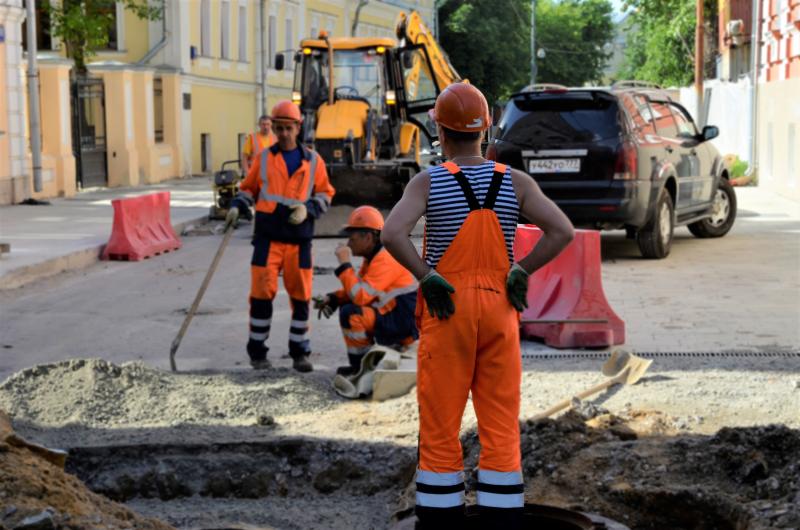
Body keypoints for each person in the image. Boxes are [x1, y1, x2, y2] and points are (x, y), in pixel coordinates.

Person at [381, 83, 575, 529]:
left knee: (440, 426)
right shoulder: (515, 182)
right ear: (485, 132)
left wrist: (426, 275)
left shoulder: (428, 182)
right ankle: (502, 520)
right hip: (499, 309)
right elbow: (561, 231)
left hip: (447, 308)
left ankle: (442, 520)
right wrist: (522, 269)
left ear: (441, 134)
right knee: (501, 424)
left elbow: (391, 234)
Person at [227, 100, 335, 372]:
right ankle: (257, 353)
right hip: (267, 238)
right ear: (273, 128)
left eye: (288, 128)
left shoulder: (313, 162)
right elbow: (248, 189)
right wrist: (236, 206)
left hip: (299, 240)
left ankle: (300, 352)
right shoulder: (264, 159)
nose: (283, 133)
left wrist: (308, 209)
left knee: (301, 298)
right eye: (278, 128)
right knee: (261, 297)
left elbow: (326, 194)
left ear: (298, 127)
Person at [314, 206, 418, 376]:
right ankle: (362, 365)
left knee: (352, 314)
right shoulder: (375, 257)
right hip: (397, 316)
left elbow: (361, 297)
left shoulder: (385, 259)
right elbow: (359, 289)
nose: (348, 243)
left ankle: (363, 368)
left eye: (352, 239)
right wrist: (332, 298)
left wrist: (345, 265)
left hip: (403, 321)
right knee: (349, 308)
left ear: (368, 237)